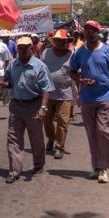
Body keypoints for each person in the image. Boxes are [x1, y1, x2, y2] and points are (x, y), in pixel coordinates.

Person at [69, 20, 109, 184]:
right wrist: (80, 80)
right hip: (87, 99)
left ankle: (104, 167)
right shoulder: (80, 51)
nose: (88, 32)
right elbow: (72, 71)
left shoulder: (106, 50)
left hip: (105, 97)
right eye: (86, 29)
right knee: (92, 134)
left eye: (92, 30)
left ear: (97, 32)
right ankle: (96, 167)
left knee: (103, 131)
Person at [0, 36, 55, 183]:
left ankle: (38, 164)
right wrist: (3, 84)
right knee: (13, 139)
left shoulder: (39, 66)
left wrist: (43, 108)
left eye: (25, 47)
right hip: (16, 106)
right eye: (19, 48)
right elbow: (10, 82)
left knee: (36, 139)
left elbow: (46, 89)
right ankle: (14, 171)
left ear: (31, 48)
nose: (22, 50)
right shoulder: (13, 65)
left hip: (34, 106)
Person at [41, 29, 74, 160]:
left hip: (65, 94)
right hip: (47, 94)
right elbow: (40, 70)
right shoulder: (46, 53)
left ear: (68, 42)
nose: (61, 43)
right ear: (54, 42)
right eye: (58, 41)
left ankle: (59, 147)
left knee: (63, 121)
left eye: (64, 41)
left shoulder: (72, 55)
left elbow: (77, 72)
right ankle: (51, 137)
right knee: (46, 120)